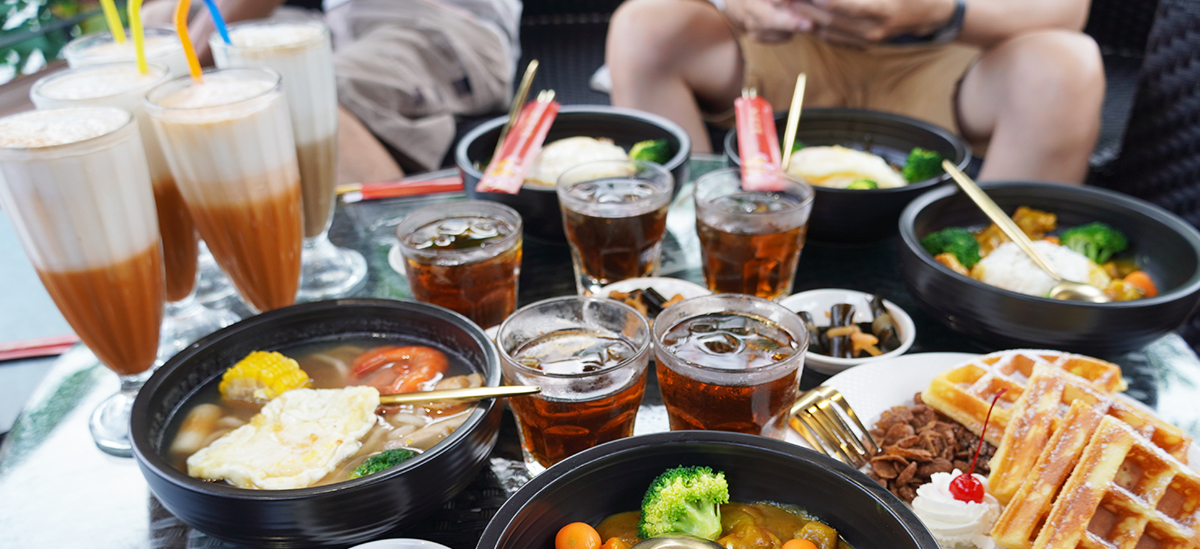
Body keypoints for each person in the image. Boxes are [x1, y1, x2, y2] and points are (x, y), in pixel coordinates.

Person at [605, 0, 1104, 182]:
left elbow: (1066, 10)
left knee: (1065, 66)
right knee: (645, 28)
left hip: (954, 64)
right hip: (780, 49)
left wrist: (937, 12)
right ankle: (681, 245)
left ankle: (1001, 286)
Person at [141, 0, 521, 183]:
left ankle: (373, 258)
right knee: (155, 20)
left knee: (306, 88)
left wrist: (191, 64)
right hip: (343, 22)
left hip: (443, 18)